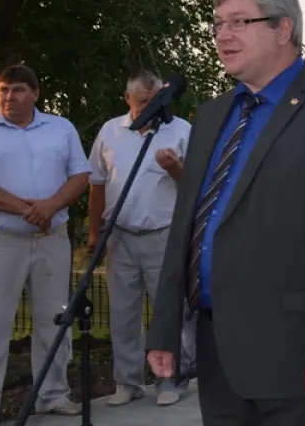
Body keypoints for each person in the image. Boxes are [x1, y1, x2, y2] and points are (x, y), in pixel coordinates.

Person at [146, 0, 305, 426]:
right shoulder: (214, 114)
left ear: (283, 29)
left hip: (303, 360)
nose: (223, 35)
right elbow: (186, 228)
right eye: (217, 24)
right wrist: (165, 331)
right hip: (220, 361)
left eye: (239, 22)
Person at [0, 64, 92, 426]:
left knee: (56, 321)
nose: (7, 97)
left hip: (52, 241)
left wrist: (50, 206)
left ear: (35, 93)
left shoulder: (61, 128)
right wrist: (29, 209)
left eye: (16, 90)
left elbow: (80, 176)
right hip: (1, 241)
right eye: (2, 90)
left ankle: (53, 395)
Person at [87, 69, 193, 407]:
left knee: (168, 312)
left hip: (164, 235)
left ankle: (169, 380)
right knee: (123, 313)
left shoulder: (181, 130)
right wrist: (93, 231)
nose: (148, 107)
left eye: (154, 101)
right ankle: (127, 382)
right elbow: (97, 185)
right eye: (141, 102)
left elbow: (196, 186)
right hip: (120, 235)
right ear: (127, 100)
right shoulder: (110, 131)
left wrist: (176, 168)